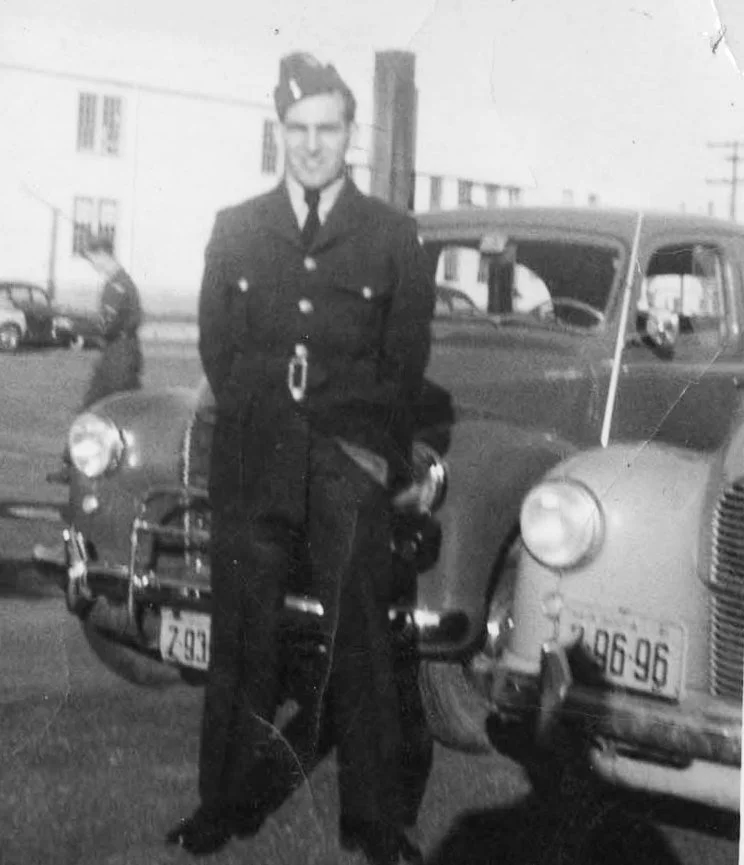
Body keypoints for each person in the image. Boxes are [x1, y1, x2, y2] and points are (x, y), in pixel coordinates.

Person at [165, 52, 435, 864]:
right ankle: (220, 804)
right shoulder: (237, 227)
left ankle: (377, 822)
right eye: (297, 129)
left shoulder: (392, 235)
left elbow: (404, 359)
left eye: (328, 128)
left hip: (345, 465)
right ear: (278, 132)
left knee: (359, 644)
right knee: (241, 638)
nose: (312, 144)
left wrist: (366, 459)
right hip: (255, 460)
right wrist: (260, 418)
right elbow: (218, 344)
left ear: (351, 133)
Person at [79, 233, 143, 408]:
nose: (92, 265)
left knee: (117, 411)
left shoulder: (117, 285)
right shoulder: (120, 281)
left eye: (91, 259)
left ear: (102, 254)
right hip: (115, 352)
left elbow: (106, 326)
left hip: (120, 355)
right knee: (92, 409)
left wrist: (74, 328)